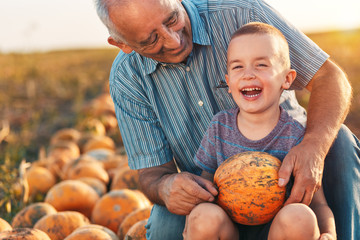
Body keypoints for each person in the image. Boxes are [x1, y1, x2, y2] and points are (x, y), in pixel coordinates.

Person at [93, 0, 359, 239]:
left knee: (339, 142)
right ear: (123, 44)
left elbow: (329, 77)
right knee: (168, 226)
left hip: (292, 188)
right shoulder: (127, 78)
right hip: (213, 196)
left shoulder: (244, 13)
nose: (174, 41)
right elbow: (152, 173)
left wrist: (313, 146)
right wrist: (165, 187)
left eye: (172, 19)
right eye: (151, 39)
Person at [182, 22, 336, 240]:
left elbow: (318, 203)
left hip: (277, 232)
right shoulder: (219, 127)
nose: (248, 75)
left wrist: (329, 233)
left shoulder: (295, 135)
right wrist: (193, 221)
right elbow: (205, 188)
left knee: (300, 216)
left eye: (261, 65)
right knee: (203, 215)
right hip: (230, 231)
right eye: (237, 67)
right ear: (228, 82)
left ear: (287, 79)